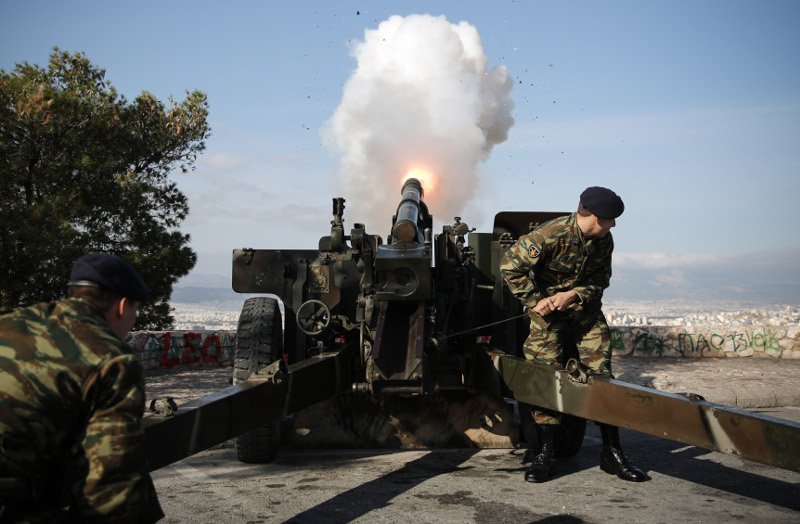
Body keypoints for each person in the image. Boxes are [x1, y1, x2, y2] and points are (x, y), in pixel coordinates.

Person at [0, 253, 164, 522]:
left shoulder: (9, 324)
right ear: (122, 306)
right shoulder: (112, 360)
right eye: (136, 310)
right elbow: (112, 497)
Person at [500, 186, 647, 483]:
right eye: (610, 220)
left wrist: (574, 295)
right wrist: (535, 301)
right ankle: (545, 454)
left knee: (602, 377)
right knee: (543, 379)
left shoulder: (603, 241)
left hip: (585, 315)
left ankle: (612, 452)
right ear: (595, 217)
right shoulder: (550, 234)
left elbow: (600, 280)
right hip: (548, 317)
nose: (613, 225)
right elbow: (510, 266)